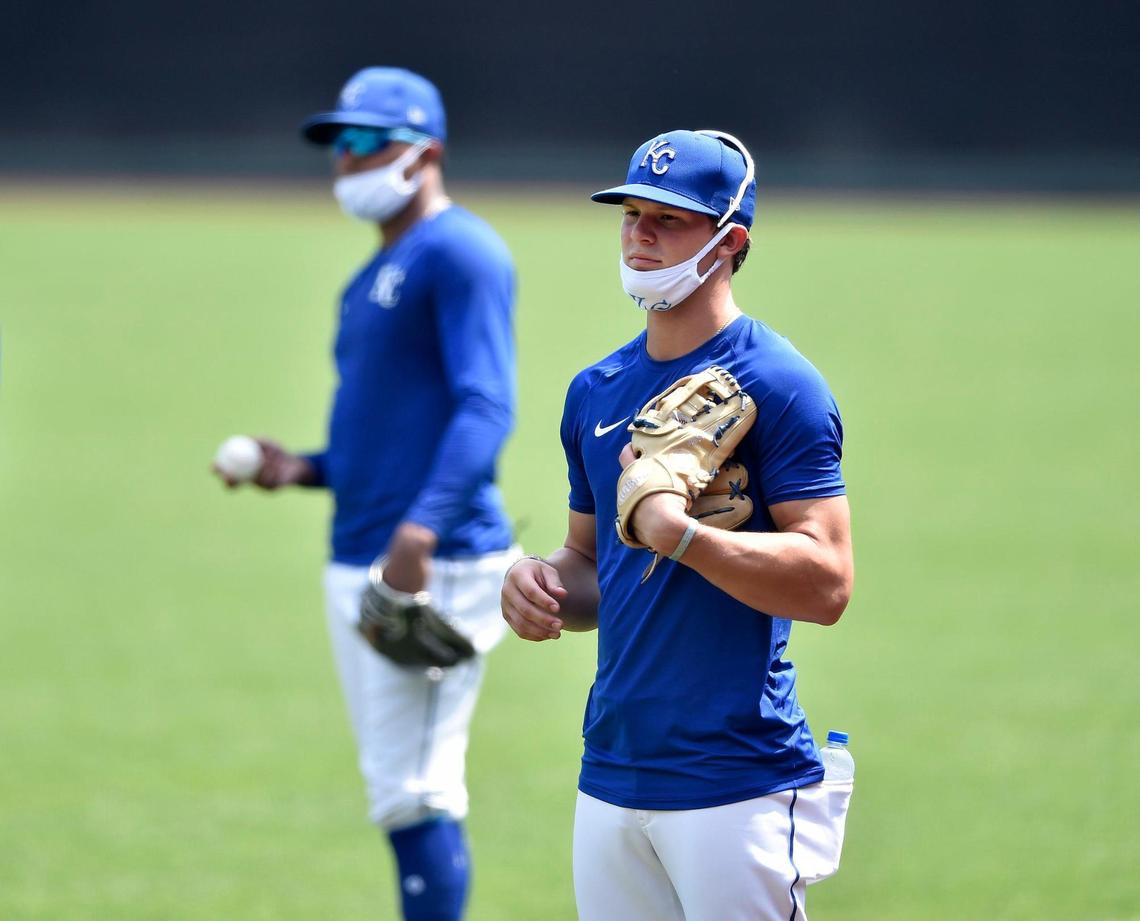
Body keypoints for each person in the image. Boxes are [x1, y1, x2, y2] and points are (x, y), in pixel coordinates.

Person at [500, 129, 855, 921]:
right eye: (631, 212)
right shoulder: (596, 389)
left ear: (730, 241)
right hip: (613, 772)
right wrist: (543, 583)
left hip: (738, 782)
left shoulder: (780, 382)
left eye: (670, 217)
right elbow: (591, 565)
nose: (641, 233)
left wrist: (687, 537)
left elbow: (829, 582)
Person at [214, 67, 518, 921]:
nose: (343, 162)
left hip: (427, 560)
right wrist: (301, 468)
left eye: (362, 143)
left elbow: (486, 403)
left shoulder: (462, 250)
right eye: (335, 145)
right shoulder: (374, 273)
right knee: (397, 786)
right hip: (365, 549)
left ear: (425, 152)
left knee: (416, 789)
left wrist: (420, 531)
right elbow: (380, 437)